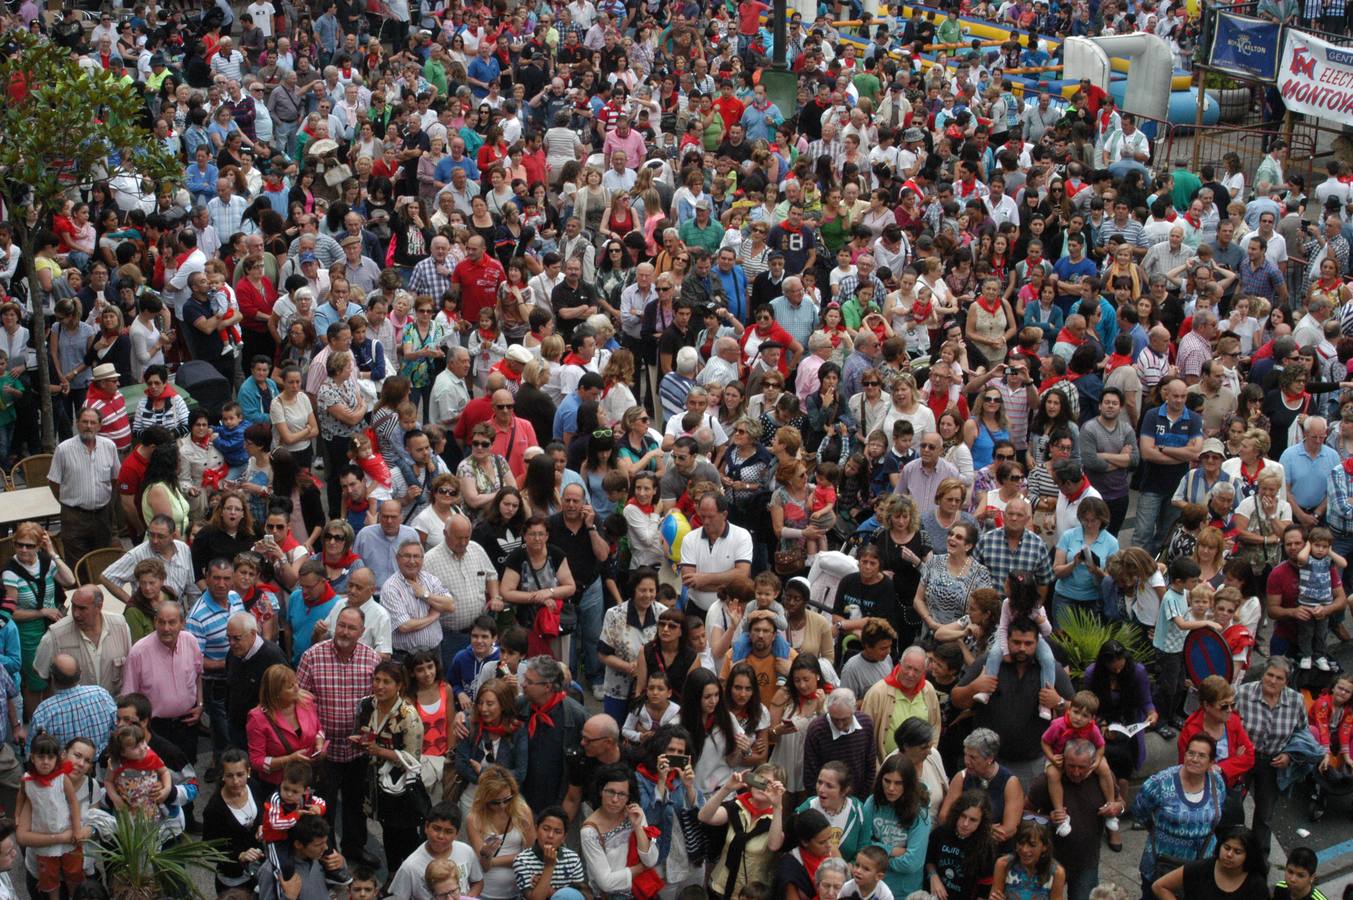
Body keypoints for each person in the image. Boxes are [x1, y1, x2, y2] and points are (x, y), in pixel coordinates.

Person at [295, 606, 382, 868]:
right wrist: (317, 737)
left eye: (351, 627)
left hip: (359, 749)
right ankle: (325, 852)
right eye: (341, 625)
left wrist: (370, 733)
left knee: (356, 803)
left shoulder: (372, 660)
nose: (344, 631)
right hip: (325, 749)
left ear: (362, 632)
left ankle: (354, 849)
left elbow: (381, 701)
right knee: (324, 804)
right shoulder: (312, 656)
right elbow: (300, 700)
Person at [1132, 733, 1227, 899]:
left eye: (1201, 755)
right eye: (1191, 753)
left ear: (1211, 762)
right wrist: (1162, 831)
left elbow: (1218, 812)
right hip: (1162, 864)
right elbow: (1139, 810)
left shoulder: (1217, 782)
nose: (1194, 759)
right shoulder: (1160, 783)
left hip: (1200, 868)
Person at [47, 406, 120, 573]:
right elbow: (54, 482)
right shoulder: (64, 449)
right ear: (77, 424)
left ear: (99, 426)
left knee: (102, 562)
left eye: (93, 422)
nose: (88, 426)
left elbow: (115, 478)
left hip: (102, 515)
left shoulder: (109, 446)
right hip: (74, 517)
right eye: (84, 422)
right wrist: (68, 501)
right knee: (77, 566)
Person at [31, 585, 131, 698]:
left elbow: (130, 668)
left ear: (99, 606)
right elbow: (40, 672)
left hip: (114, 707)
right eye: (74, 606)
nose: (76, 614)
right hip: (76, 710)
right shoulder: (55, 635)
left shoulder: (120, 626)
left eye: (82, 608)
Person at [1148, 825, 1269, 900]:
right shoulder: (1201, 868)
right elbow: (1159, 886)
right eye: (1226, 848)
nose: (1229, 855)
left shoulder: (1256, 885)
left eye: (1237, 852)